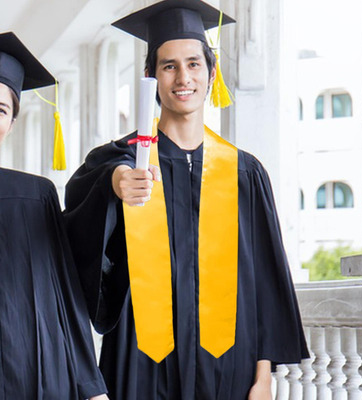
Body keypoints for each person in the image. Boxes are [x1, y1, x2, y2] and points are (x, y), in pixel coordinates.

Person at [64, 0, 309, 399]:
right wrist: (113, 186)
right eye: (169, 65)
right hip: (140, 362)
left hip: (231, 365)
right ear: (150, 77)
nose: (183, 77)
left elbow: (265, 279)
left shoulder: (244, 173)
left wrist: (263, 377)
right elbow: (74, 232)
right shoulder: (121, 163)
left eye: (194, 64)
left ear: (212, 73)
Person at [0, 32, 108, 399]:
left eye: (0, 109)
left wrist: (92, 388)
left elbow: (66, 293)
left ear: (12, 122)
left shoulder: (35, 196)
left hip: (30, 371)